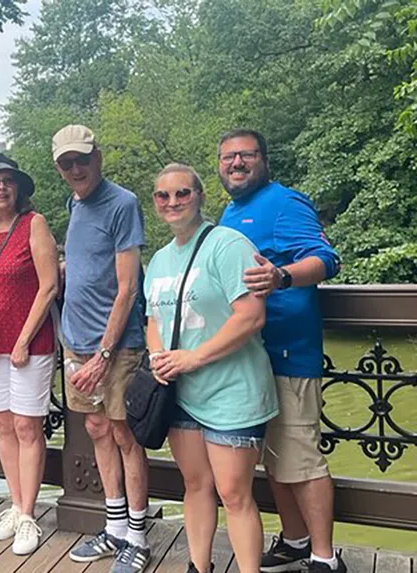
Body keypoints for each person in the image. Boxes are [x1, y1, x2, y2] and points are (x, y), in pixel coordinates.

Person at [216, 129, 344, 573]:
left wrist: (281, 277)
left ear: (264, 160)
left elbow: (326, 259)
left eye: (245, 155)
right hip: (249, 359)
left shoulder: (285, 203)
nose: (236, 163)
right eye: (228, 156)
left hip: (290, 354)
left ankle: (325, 557)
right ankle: (295, 540)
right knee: (273, 458)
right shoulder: (231, 211)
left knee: (301, 458)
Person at [145, 163, 279, 573]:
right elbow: (154, 320)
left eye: (182, 193)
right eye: (163, 196)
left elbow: (250, 316)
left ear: (200, 196)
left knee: (234, 493)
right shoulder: (159, 260)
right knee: (196, 486)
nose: (173, 202)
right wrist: (158, 359)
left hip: (232, 391)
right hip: (182, 393)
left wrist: (194, 357)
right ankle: (197, 566)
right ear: (155, 204)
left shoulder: (227, 244)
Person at [54, 126, 151, 573]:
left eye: (82, 159)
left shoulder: (122, 204)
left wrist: (104, 355)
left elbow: (128, 287)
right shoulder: (75, 204)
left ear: (99, 157)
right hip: (76, 344)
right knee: (96, 429)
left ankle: (137, 535)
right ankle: (113, 527)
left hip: (116, 349)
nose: (75, 169)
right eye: (66, 163)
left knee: (124, 435)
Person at [0, 154, 59, 555]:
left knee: (26, 427)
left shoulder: (33, 225)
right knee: (2, 423)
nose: (0, 187)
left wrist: (24, 339)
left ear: (17, 187)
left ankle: (28, 516)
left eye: (7, 181)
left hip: (30, 344)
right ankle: (16, 505)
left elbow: (49, 286)